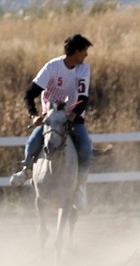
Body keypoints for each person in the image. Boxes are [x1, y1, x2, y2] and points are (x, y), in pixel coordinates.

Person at [8, 33, 94, 209]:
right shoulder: (52, 67)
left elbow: (83, 98)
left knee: (85, 147)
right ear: (76, 51)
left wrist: (72, 115)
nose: (86, 55)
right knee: (32, 142)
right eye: (84, 51)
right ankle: (27, 171)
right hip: (52, 118)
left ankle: (79, 187)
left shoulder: (83, 69)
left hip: (74, 117)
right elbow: (29, 94)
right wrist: (34, 115)